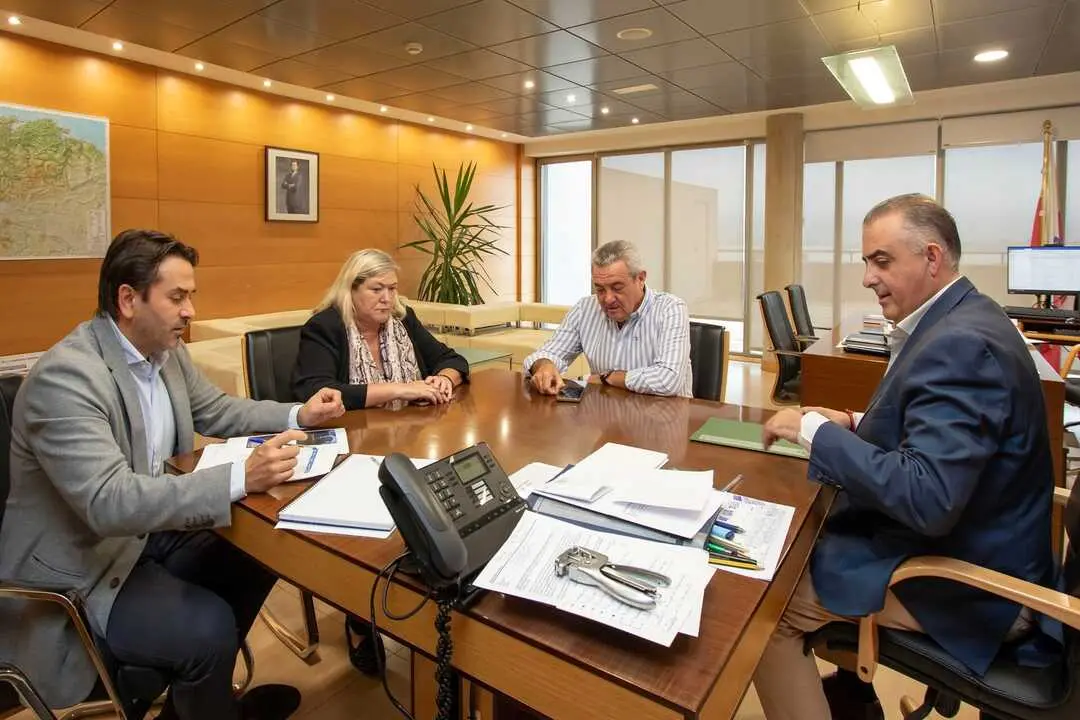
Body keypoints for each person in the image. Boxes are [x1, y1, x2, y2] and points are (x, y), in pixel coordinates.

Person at [0, 229, 345, 720]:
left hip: (145, 538)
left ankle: (199, 701)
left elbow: (218, 410)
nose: (191, 311)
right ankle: (204, 685)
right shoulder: (68, 377)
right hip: (86, 570)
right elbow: (109, 501)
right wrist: (240, 478)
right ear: (128, 299)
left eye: (192, 297)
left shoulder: (165, 352)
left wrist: (298, 416)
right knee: (206, 631)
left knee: (266, 550)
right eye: (177, 297)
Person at [753, 194, 1060, 720]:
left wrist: (811, 430)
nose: (868, 278)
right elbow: (932, 427)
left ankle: (842, 691)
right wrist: (852, 423)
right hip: (990, 543)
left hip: (974, 586)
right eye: (867, 262)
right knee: (809, 540)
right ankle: (854, 696)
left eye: (882, 260)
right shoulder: (971, 315)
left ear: (932, 258)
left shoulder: (961, 345)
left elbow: (927, 497)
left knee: (764, 612)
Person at [292, 248, 469, 411]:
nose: (387, 298)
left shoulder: (403, 319)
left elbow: (452, 360)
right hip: (352, 433)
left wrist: (444, 380)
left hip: (408, 428)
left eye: (392, 289)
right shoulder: (325, 326)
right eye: (376, 289)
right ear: (351, 290)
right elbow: (315, 391)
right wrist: (399, 390)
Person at [523, 240, 692, 398]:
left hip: (664, 419)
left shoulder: (670, 309)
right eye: (600, 290)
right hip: (606, 418)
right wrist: (543, 365)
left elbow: (669, 379)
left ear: (640, 279)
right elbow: (548, 353)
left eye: (617, 288)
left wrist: (608, 377)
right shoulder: (585, 309)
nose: (608, 299)